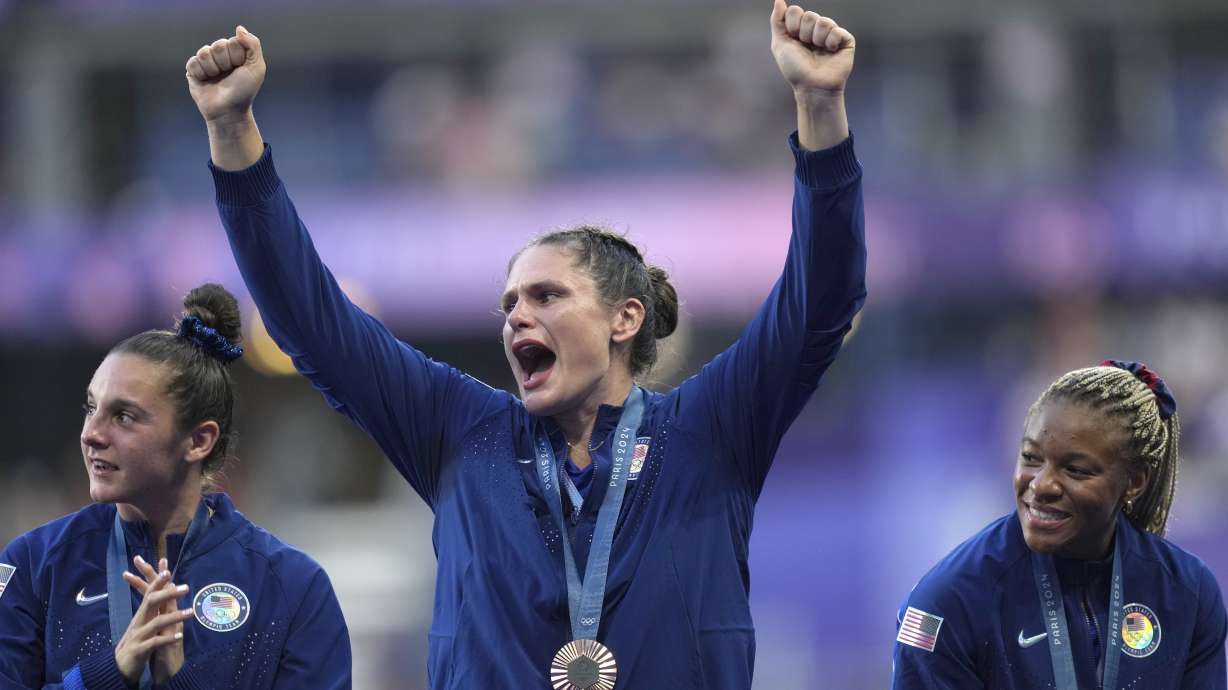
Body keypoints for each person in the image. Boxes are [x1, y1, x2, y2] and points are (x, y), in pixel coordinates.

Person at [187, 1, 864, 686]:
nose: (517, 318)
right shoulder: (459, 432)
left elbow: (820, 306)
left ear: (625, 319)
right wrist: (232, 133)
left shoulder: (708, 432)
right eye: (509, 304)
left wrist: (820, 107)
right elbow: (312, 322)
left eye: (547, 296)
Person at [0, 284, 352, 690]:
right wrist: (109, 674)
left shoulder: (292, 589)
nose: (91, 434)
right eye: (91, 408)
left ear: (198, 441)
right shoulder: (34, 566)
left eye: (124, 416)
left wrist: (181, 682)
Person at [892, 361, 1227, 689]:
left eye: (1076, 470)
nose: (1041, 485)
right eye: (1031, 458)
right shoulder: (947, 603)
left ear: (1134, 482)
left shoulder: (1187, 591)